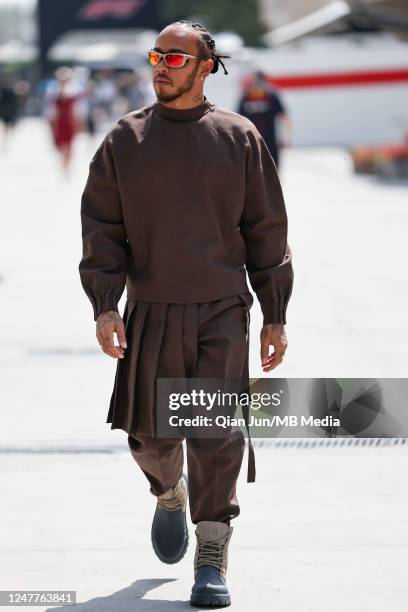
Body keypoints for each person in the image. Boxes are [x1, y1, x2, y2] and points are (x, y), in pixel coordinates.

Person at [79, 20, 294, 607]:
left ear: (206, 67)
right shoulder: (125, 139)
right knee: (149, 437)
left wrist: (274, 312)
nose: (162, 65)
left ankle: (213, 547)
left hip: (221, 309)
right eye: (156, 55)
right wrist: (105, 304)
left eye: (176, 57)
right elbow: (102, 228)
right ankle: (167, 492)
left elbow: (266, 230)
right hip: (150, 309)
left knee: (215, 432)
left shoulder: (239, 136)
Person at [238, 69, 291, 170]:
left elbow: (237, 120)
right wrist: (287, 137)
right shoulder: (249, 96)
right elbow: (284, 118)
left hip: (257, 142)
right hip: (258, 142)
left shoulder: (268, 96)